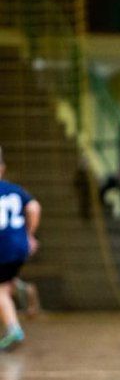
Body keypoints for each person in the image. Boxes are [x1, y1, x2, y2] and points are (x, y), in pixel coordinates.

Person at [0, 146, 41, 351]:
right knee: (5, 282)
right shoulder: (14, 190)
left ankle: (13, 328)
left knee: (0, 290)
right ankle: (23, 288)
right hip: (19, 247)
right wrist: (29, 235)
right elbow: (34, 207)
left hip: (3, 248)